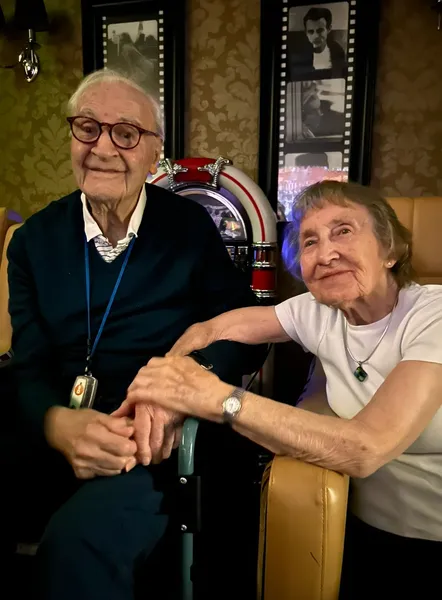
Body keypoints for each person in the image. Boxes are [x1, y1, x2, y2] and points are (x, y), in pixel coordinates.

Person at [5, 68, 266, 599]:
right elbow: (27, 365)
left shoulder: (190, 229)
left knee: (77, 546)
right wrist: (56, 424)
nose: (102, 147)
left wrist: (179, 390)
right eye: (87, 128)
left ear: (154, 155)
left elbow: (243, 333)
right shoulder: (32, 241)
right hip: (55, 434)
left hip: (151, 445)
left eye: (125, 133)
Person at [116, 180, 442, 598]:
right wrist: (162, 393)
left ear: (390, 250)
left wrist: (217, 398)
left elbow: (366, 448)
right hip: (358, 533)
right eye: (310, 242)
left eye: (344, 231)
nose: (326, 254)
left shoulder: (432, 315)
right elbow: (210, 329)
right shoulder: (317, 311)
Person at [289, 7, 347, 79]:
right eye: (311, 32)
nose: (316, 36)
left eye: (320, 30)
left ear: (329, 29)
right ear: (306, 33)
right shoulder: (299, 55)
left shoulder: (338, 51)